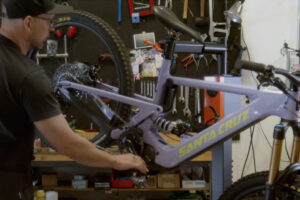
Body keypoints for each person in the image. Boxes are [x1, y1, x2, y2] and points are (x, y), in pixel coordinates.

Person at [0, 0, 148, 199]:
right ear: (28, 22)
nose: (52, 29)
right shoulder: (27, 76)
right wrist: (117, 161)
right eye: (49, 21)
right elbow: (68, 144)